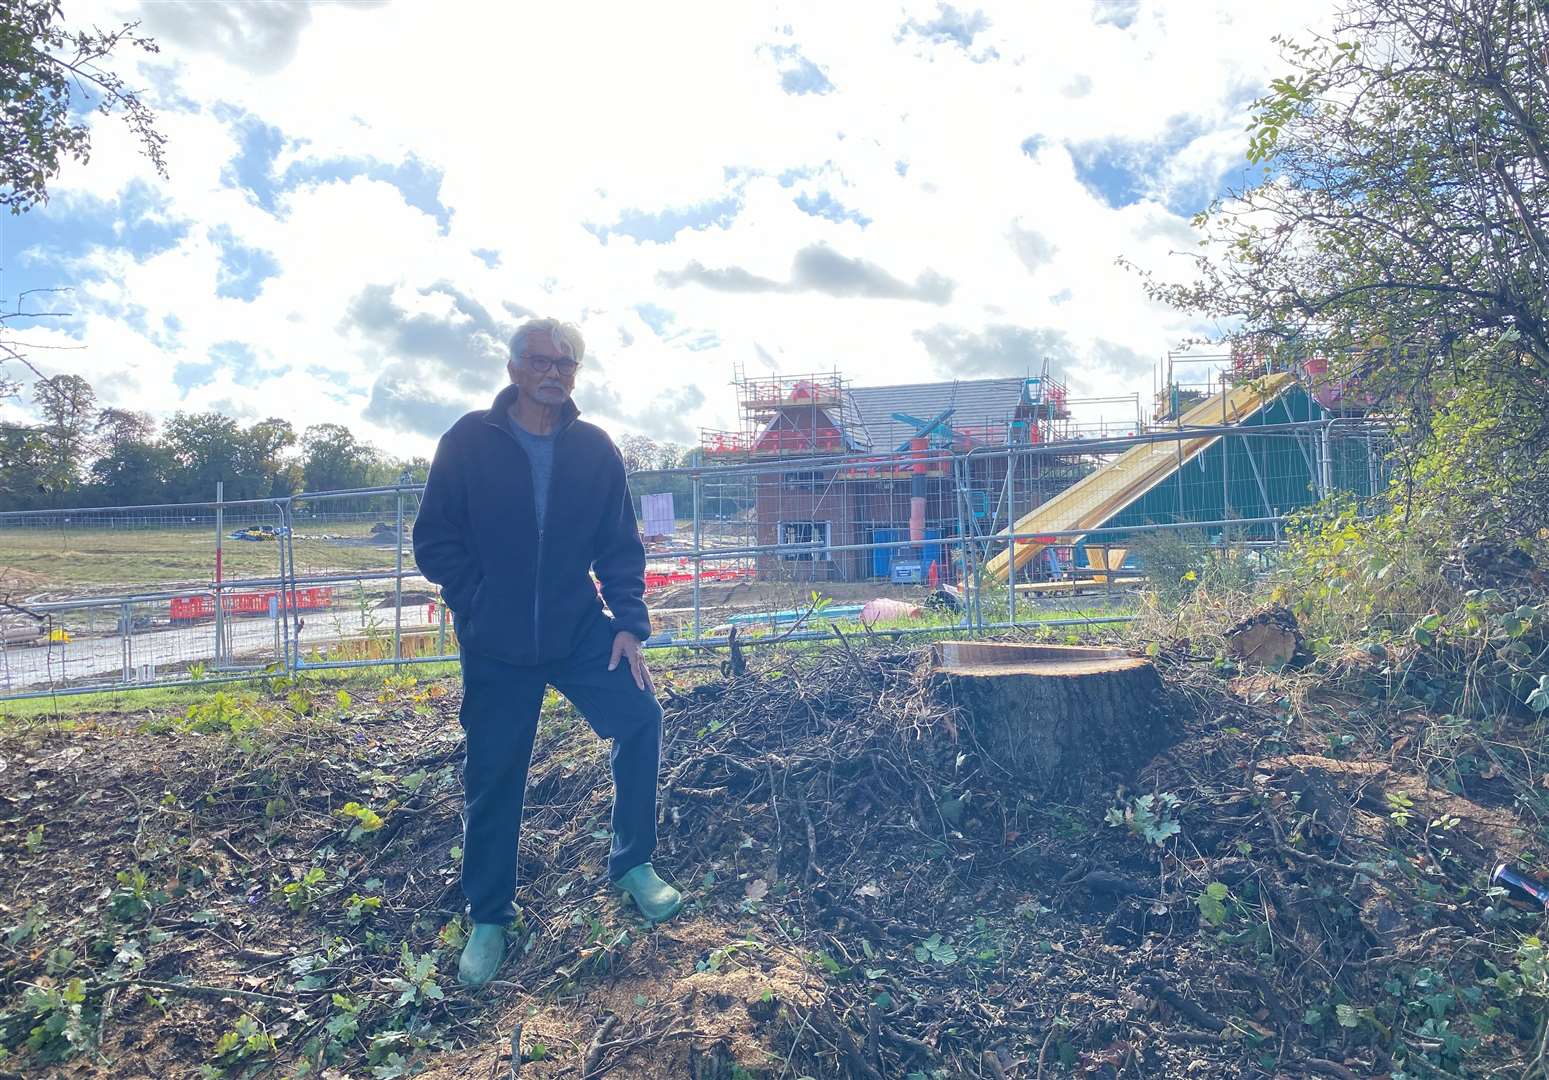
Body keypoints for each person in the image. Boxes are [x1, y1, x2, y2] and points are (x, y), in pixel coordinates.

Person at [413, 317, 682, 989]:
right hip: (495, 640)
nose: (554, 371)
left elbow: (620, 544)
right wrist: (476, 598)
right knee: (495, 772)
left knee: (638, 716)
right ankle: (490, 916)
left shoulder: (594, 449)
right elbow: (434, 539)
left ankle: (632, 864)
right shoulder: (470, 440)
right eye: (540, 360)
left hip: (575, 628)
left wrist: (628, 623)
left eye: (566, 363)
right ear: (512, 370)